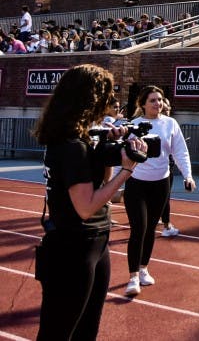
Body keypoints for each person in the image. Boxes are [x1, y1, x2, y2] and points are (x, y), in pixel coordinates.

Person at [34, 66, 146, 341]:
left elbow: (98, 183)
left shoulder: (76, 140)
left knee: (86, 330)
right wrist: (127, 170)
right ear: (89, 99)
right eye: (105, 96)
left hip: (95, 242)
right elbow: (86, 207)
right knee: (58, 332)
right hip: (73, 247)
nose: (109, 105)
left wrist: (106, 153)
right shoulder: (72, 145)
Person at [123, 86, 195, 297]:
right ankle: (133, 276)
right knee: (139, 229)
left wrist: (188, 175)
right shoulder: (134, 125)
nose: (157, 104)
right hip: (137, 184)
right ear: (143, 104)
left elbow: (180, 151)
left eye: (160, 100)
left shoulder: (170, 123)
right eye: (152, 100)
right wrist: (111, 183)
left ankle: (144, 268)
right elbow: (123, 155)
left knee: (152, 228)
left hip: (161, 184)